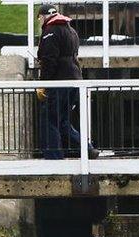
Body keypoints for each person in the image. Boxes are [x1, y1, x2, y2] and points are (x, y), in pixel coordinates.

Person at [36, 4, 99, 159]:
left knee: (49, 119)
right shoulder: (71, 30)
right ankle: (87, 149)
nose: (39, 22)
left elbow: (49, 61)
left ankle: (54, 157)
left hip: (59, 83)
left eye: (39, 18)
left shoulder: (50, 31)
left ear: (44, 16)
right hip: (74, 81)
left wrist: (43, 84)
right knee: (63, 120)